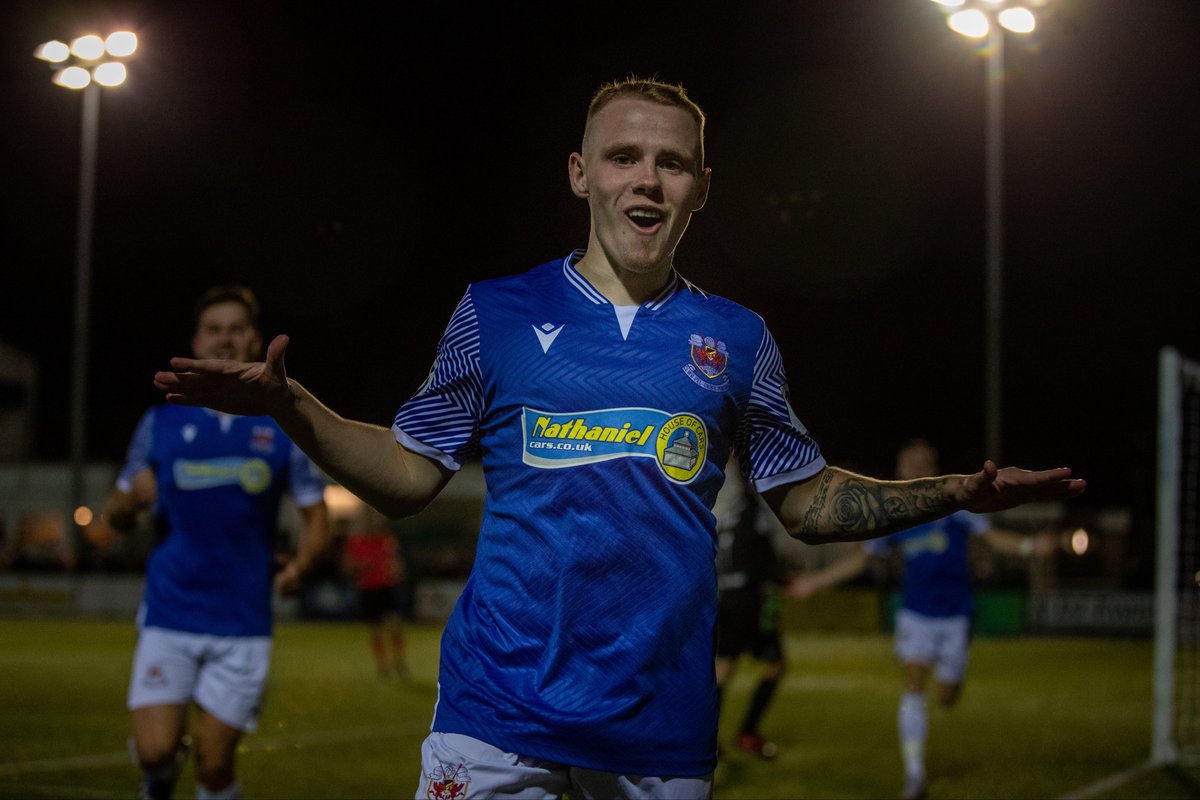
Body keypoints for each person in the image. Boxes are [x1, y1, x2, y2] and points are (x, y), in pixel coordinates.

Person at [151, 77, 1085, 799]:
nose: (647, 178)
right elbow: (404, 474)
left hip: (660, 722)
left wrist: (953, 493)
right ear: (580, 173)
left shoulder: (740, 337)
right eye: (624, 156)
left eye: (671, 163)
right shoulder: (494, 314)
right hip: (495, 706)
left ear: (701, 188)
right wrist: (291, 405)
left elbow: (806, 500)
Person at [97, 284, 333, 800]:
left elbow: (317, 518)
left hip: (242, 622)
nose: (224, 338)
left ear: (253, 340)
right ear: (196, 341)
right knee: (158, 754)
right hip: (169, 610)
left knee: (214, 763)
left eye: (235, 328)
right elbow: (110, 519)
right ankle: (157, 779)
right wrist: (129, 502)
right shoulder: (160, 422)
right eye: (213, 329)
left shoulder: (281, 422)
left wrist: (302, 565)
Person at [791, 437, 1058, 800]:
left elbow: (993, 538)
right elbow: (861, 560)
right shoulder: (894, 515)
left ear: (932, 468)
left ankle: (950, 684)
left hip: (956, 617)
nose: (914, 468)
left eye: (921, 462)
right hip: (916, 614)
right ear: (899, 470)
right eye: (908, 462)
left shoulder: (954, 506)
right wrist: (814, 582)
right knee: (913, 684)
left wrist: (1029, 547)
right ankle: (915, 776)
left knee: (946, 696)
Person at [713, 466, 801, 761]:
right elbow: (760, 560)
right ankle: (746, 734)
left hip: (727, 597)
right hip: (750, 599)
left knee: (722, 670)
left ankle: (706, 737)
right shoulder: (755, 512)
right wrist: (784, 577)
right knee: (775, 665)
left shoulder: (730, 511)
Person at [342, 503, 412, 677]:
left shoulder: (387, 540)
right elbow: (347, 567)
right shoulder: (357, 542)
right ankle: (383, 665)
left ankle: (399, 662)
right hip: (368, 588)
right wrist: (361, 567)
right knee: (377, 629)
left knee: (395, 624)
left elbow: (396, 563)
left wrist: (397, 571)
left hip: (387, 586)